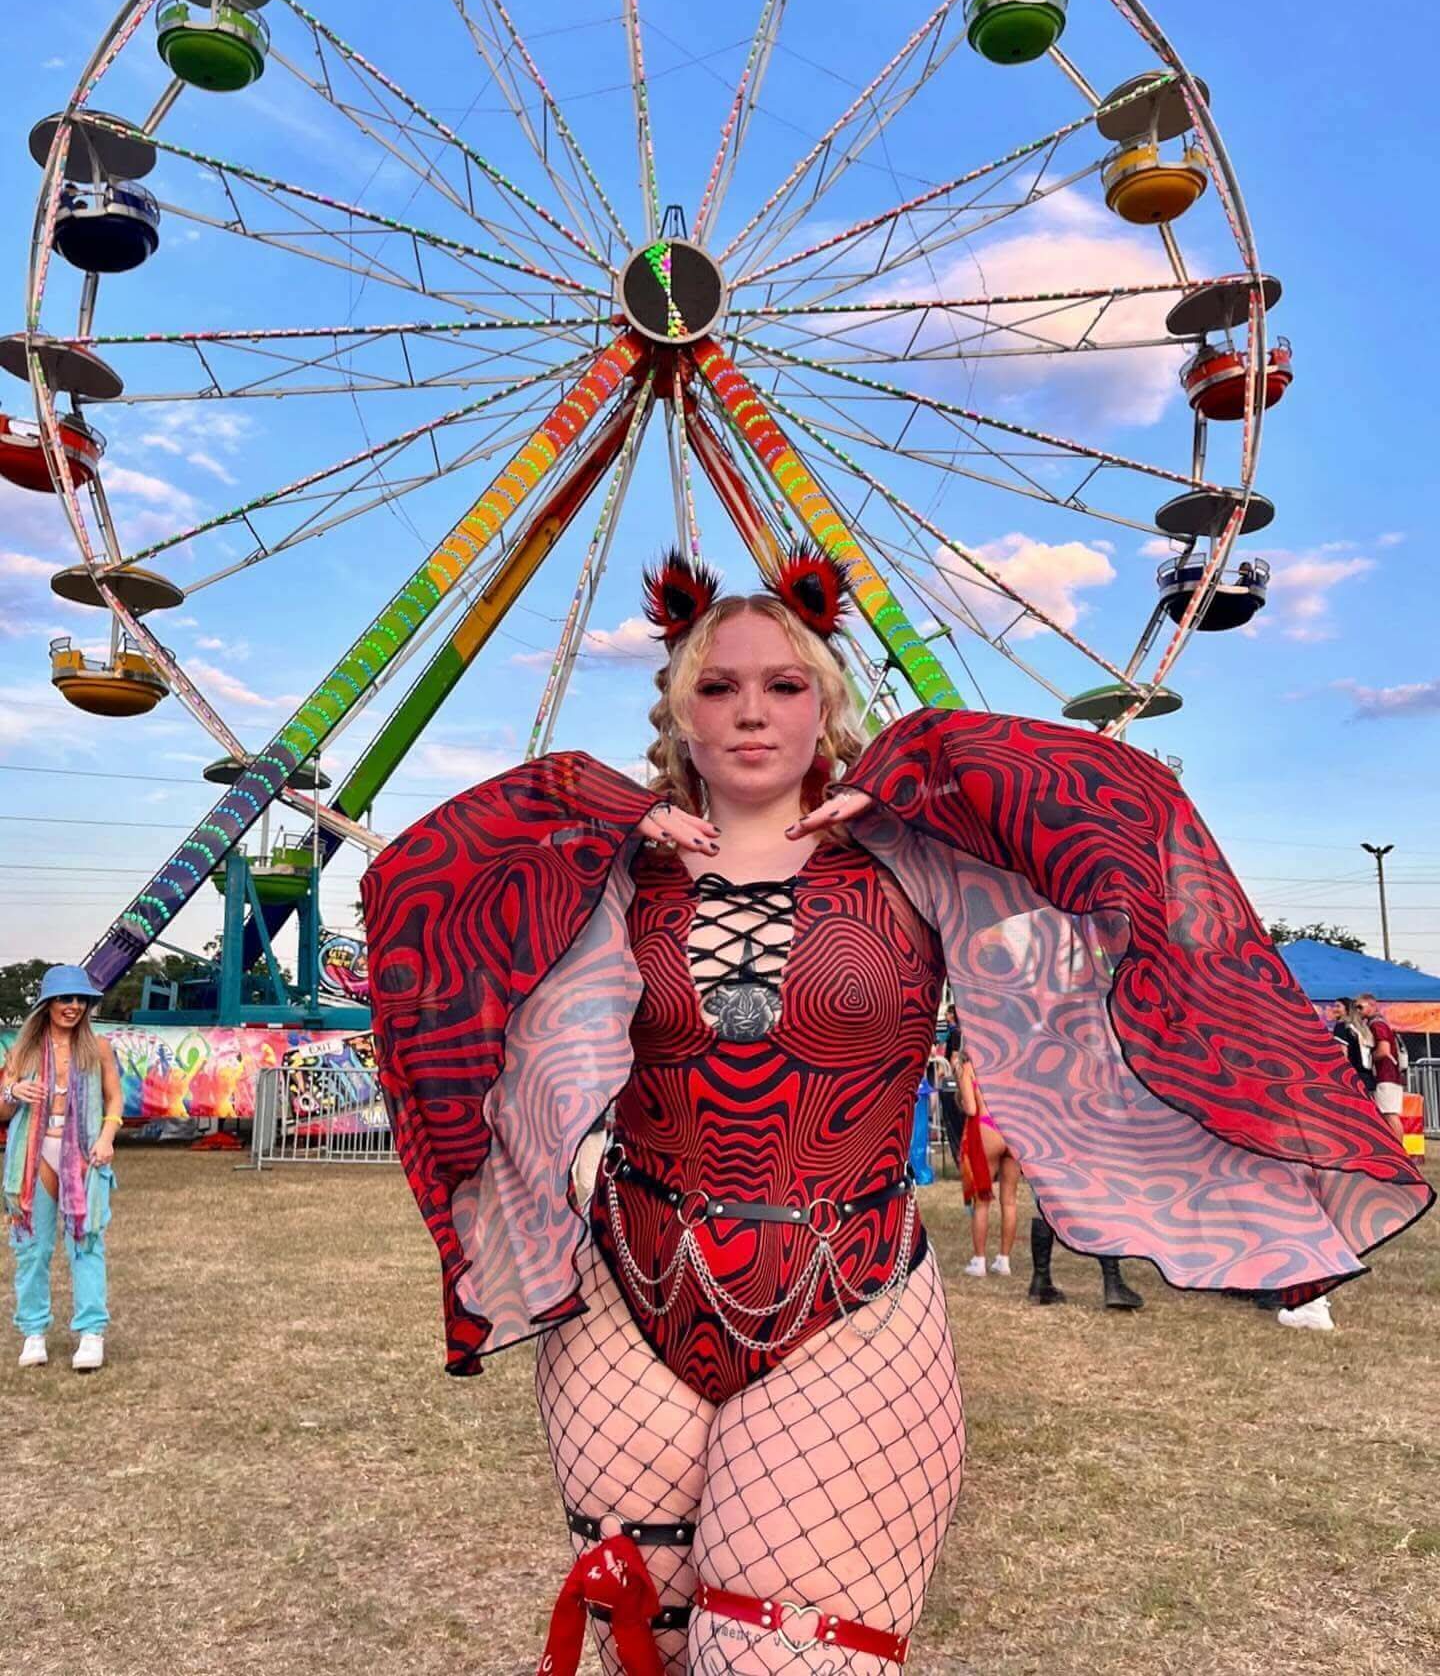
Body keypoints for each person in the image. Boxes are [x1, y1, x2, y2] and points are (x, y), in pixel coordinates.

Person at [364, 549, 1431, 1676]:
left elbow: (1133, 811)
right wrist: (592, 806)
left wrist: (935, 762)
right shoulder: (614, 870)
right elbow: (412, 896)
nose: (751, 713)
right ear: (677, 710)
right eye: (716, 688)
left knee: (783, 1657)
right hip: (627, 1293)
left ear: (827, 698)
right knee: (644, 1638)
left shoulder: (914, 856)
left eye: (784, 684)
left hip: (851, 1287)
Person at [1, 964, 122, 1372]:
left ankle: (91, 1334)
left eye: (80, 1000)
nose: (73, 1007)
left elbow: (115, 1099)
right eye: (64, 999)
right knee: (31, 1248)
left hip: (83, 1155)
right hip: (32, 1157)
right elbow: (2, 1107)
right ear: (47, 1004)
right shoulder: (24, 1050)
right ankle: (33, 1332)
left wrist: (106, 1138)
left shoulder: (98, 1048)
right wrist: (14, 1091)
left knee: (86, 1244)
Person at [956, 1049, 1018, 1277]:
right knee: (1009, 1201)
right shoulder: (1008, 1064)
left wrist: (962, 1100)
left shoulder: (968, 1068)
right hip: (1011, 1129)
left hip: (986, 1127)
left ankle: (979, 1260)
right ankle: (1004, 1260)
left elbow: (971, 1108)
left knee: (982, 1200)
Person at [1357, 992, 1405, 1142]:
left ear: (1372, 1005)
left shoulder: (1377, 1024)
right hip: (1388, 1075)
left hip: (1386, 1076)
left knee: (1389, 1114)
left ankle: (1399, 1152)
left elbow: (1384, 1050)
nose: (1357, 1010)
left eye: (1360, 1007)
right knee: (1387, 1114)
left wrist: (1368, 1059)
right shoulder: (1377, 1023)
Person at [1329, 997, 1372, 1091]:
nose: (1334, 1009)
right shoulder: (1360, 1029)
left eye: (1338, 1006)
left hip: (1352, 1078)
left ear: (1347, 1009)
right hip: (1367, 1078)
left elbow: (1342, 1053)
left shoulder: (1341, 1026)